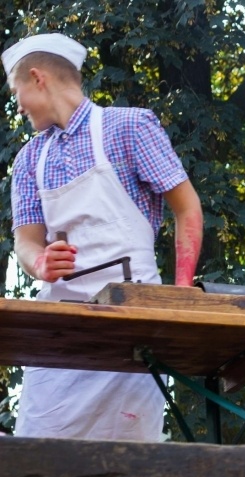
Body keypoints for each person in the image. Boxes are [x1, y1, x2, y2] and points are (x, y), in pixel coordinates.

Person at [3, 33, 203, 441]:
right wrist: (39, 261)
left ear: (37, 78)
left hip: (133, 327)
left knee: (130, 464)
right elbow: (26, 240)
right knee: (38, 458)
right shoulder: (28, 160)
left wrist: (180, 295)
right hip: (60, 334)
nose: (17, 104)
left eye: (15, 90)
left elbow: (188, 209)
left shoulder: (129, 127)